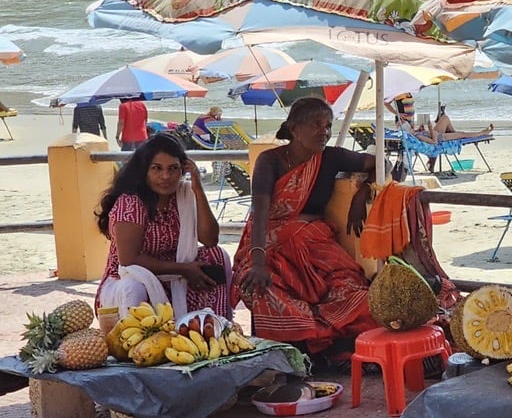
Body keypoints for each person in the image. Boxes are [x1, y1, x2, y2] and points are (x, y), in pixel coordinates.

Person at [232, 97, 381, 366]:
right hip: (271, 245)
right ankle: (301, 353)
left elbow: (383, 164)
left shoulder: (332, 157)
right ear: (294, 128)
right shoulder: (270, 161)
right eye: (316, 124)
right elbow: (260, 211)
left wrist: (363, 194)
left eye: (327, 125)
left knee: (356, 294)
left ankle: (328, 350)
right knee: (264, 288)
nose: (323, 131)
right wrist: (257, 262)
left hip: (317, 246)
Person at [95, 134, 231, 319]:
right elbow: (129, 260)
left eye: (173, 168)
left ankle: (215, 329)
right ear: (144, 170)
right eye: (157, 168)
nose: (166, 176)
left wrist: (198, 190)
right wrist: (183, 269)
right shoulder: (131, 202)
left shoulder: (184, 195)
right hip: (128, 281)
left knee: (217, 256)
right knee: (134, 287)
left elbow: (210, 239)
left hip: (173, 276)